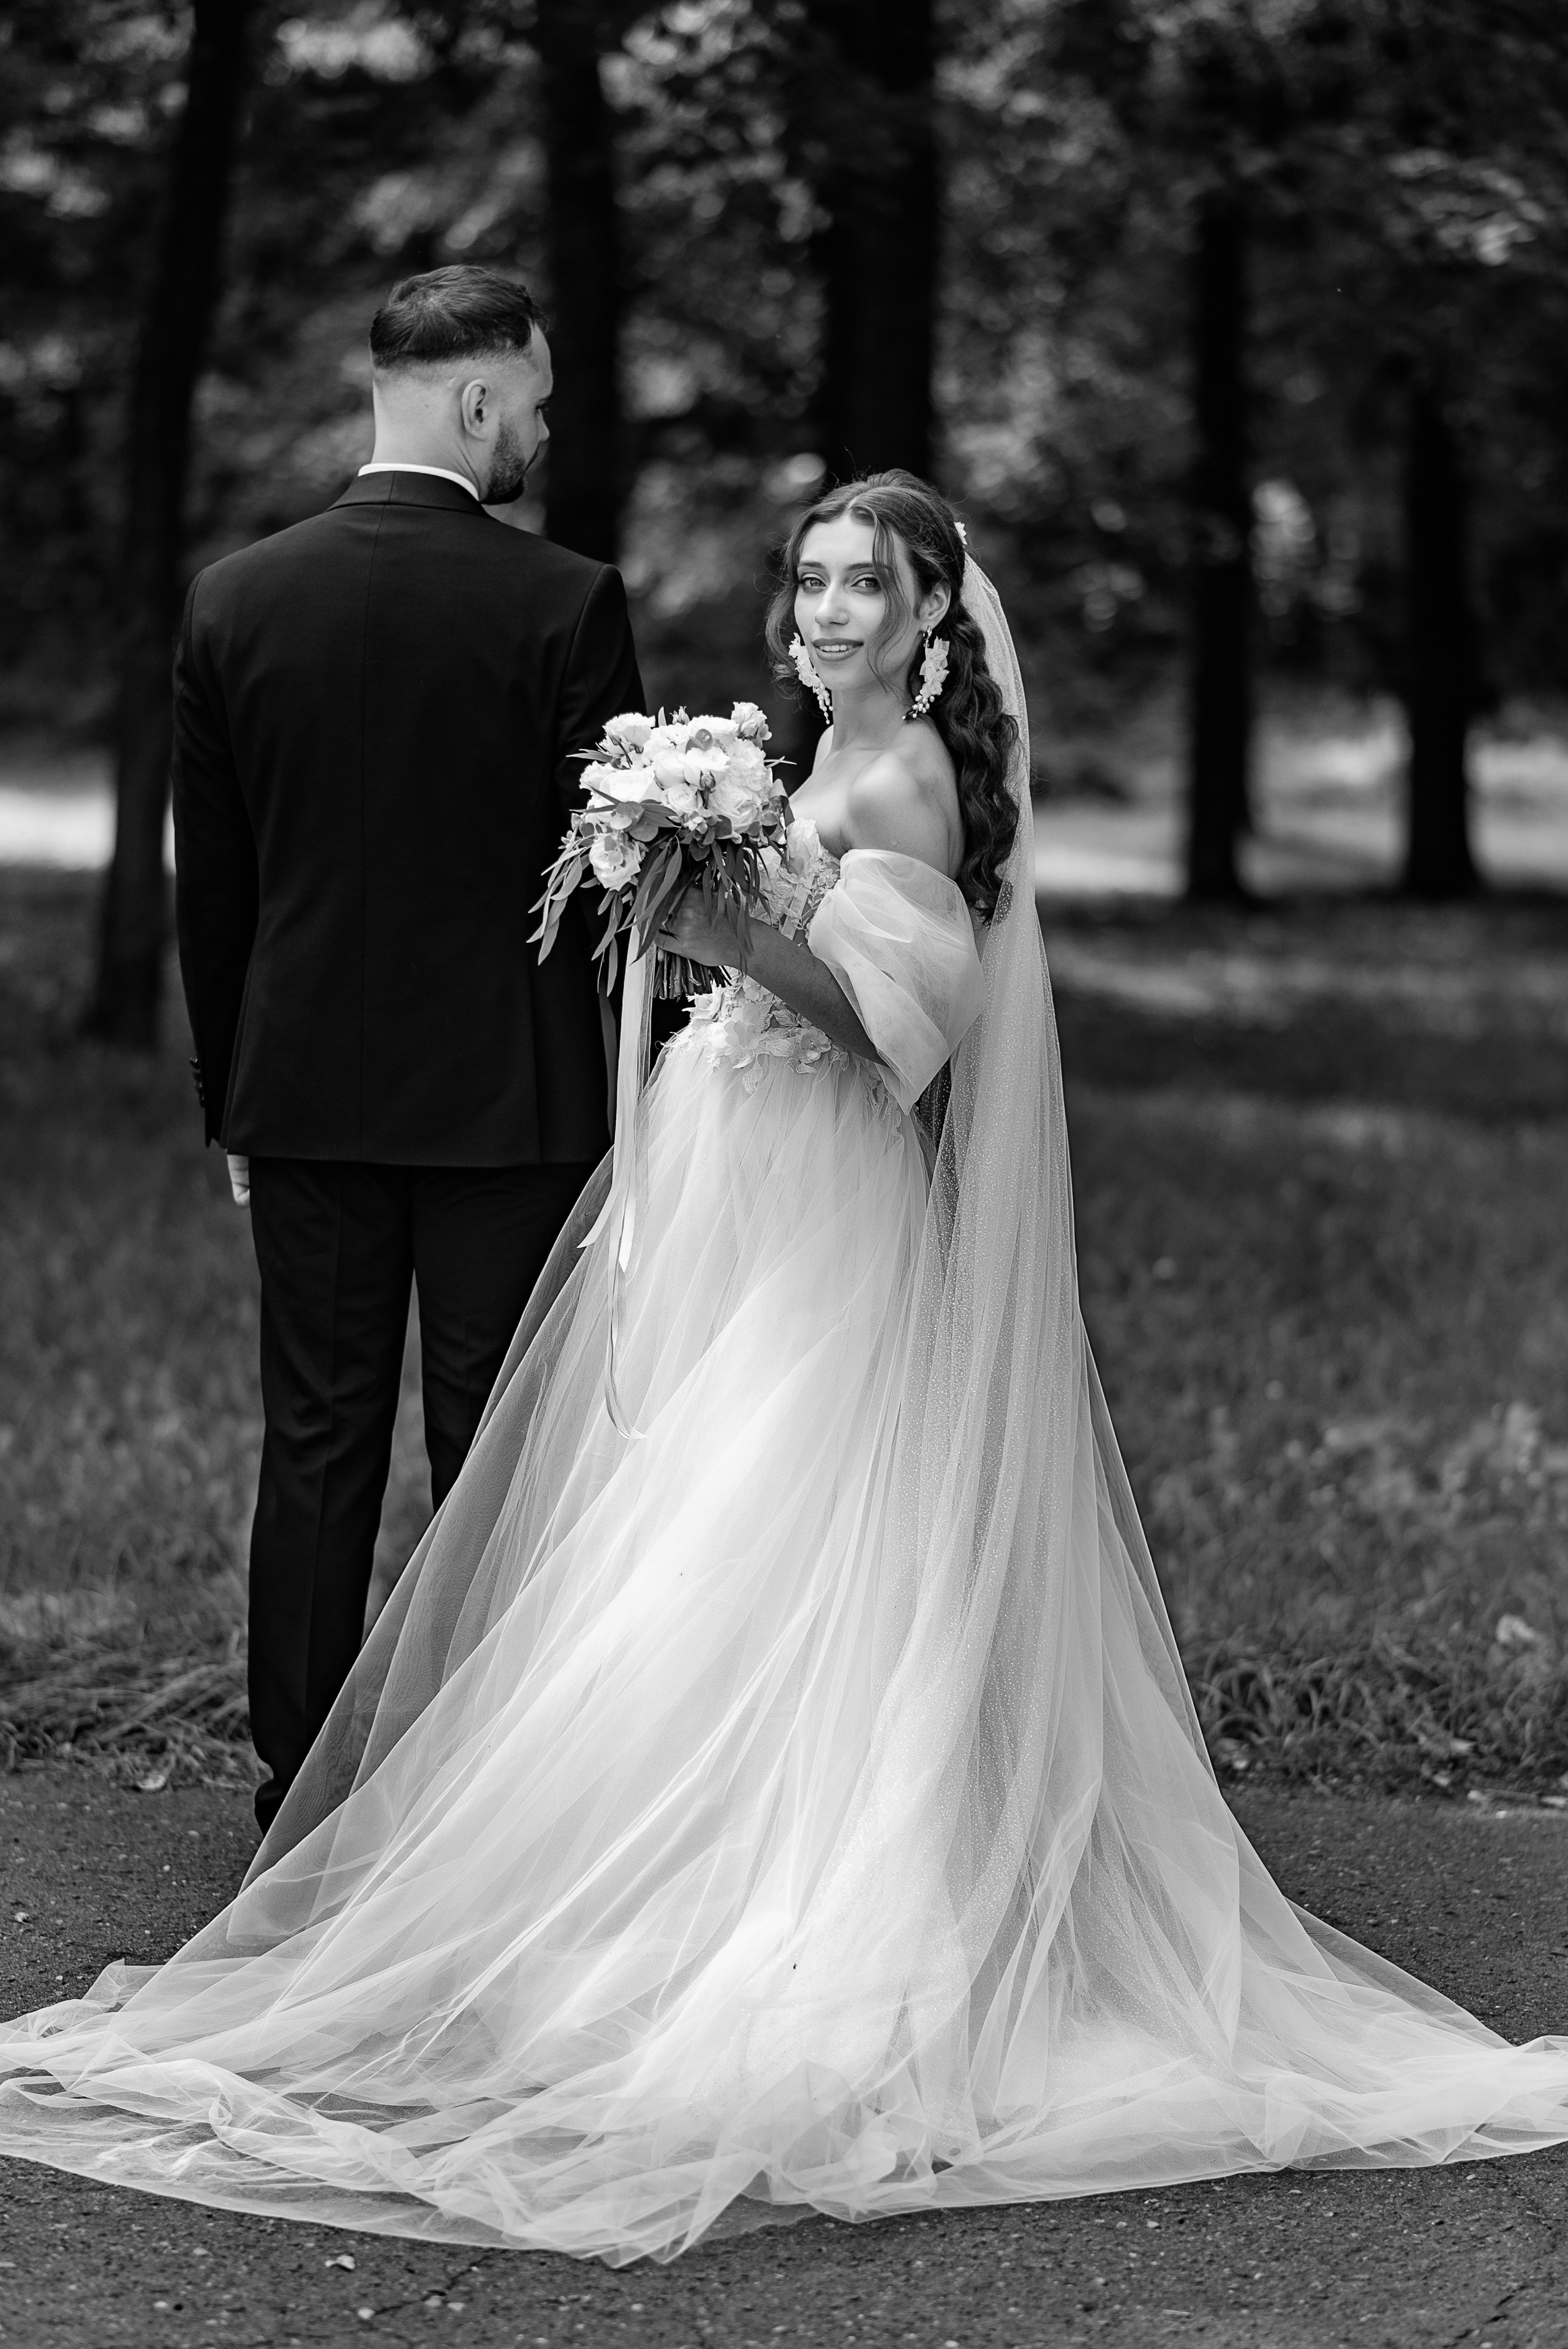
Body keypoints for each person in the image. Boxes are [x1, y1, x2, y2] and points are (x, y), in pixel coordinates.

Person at [1, 473, 1566, 2261]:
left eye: (863, 588)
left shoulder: (903, 778)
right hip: (743, 1171)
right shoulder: (810, 760)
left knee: (782, 1532)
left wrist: (716, 922)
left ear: (928, 618)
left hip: (826, 1205)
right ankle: (662, 1903)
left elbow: (901, 1034)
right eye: (811, 581)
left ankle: (810, 1941)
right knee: (684, 1543)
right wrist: (695, 892)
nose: (825, 612)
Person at [169, 266, 642, 1834]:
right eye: (540, 402)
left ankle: (293, 1794)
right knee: (495, 1451)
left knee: (312, 1437)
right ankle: (483, 1806)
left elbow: (217, 886)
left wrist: (230, 1092)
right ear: (478, 398)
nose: (543, 432)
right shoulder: (563, 602)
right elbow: (616, 893)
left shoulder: (236, 599)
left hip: (300, 1088)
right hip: (511, 1107)